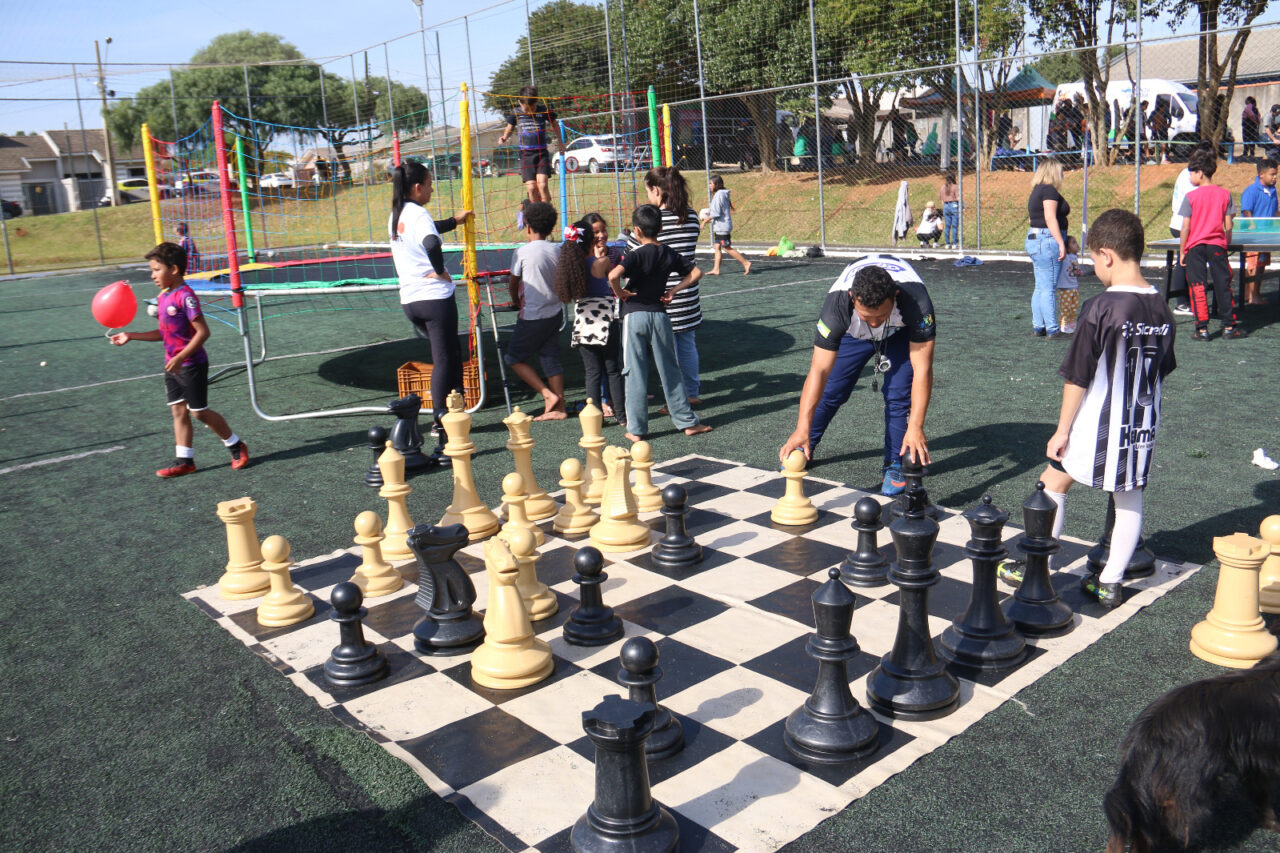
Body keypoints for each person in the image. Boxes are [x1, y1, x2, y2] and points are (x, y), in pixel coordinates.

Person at [998, 210, 1176, 608]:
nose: (1093, 267)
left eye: (1093, 259)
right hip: (1142, 425)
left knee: (1052, 482)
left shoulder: (1102, 307)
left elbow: (1078, 376)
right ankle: (1110, 582)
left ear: (1107, 255)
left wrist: (1062, 430)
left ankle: (1037, 567)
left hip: (1098, 423)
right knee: (1129, 497)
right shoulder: (1163, 309)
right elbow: (1163, 369)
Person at [778, 254, 936, 496]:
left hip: (901, 332)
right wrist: (801, 428)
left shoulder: (917, 305)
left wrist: (916, 426)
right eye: (867, 316)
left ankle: (894, 464)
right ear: (853, 298)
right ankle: (804, 443)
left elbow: (922, 369)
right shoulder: (836, 308)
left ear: (894, 297)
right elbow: (818, 370)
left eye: (880, 316)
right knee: (832, 390)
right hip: (853, 334)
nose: (874, 324)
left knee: (898, 395)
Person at [110, 241, 249, 478]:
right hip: (173, 365)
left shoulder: (186, 297)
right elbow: (164, 333)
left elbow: (203, 332)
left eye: (157, 270)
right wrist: (131, 335)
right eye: (152, 270)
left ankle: (236, 446)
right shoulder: (164, 296)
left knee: (199, 412)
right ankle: (185, 461)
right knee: (178, 411)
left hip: (191, 365)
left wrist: (181, 356)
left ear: (174, 269)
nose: (153, 275)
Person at [607, 204, 711, 441]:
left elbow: (613, 276)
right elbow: (696, 273)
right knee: (670, 370)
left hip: (634, 316)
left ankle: (636, 429)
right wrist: (673, 291)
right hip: (660, 315)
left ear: (636, 231)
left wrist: (620, 293)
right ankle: (687, 422)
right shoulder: (668, 253)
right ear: (661, 228)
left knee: (634, 372)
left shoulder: (635, 254)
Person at [388, 160, 474, 442]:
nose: (432, 190)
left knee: (450, 354)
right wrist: (439, 271)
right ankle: (440, 421)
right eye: (429, 184)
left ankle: (456, 408)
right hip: (433, 298)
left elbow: (429, 230)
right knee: (444, 359)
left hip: (410, 300)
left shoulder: (397, 214)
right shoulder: (419, 213)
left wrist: (454, 221)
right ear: (417, 187)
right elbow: (431, 242)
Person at [630, 167, 704, 406]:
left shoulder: (654, 222)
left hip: (661, 296)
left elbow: (634, 253)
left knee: (664, 353)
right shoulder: (691, 216)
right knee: (687, 345)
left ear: (656, 190)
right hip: (687, 291)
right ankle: (691, 393)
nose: (648, 196)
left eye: (648, 191)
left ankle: (675, 400)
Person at [556, 212, 626, 426]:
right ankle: (622, 416)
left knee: (592, 372)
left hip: (584, 325)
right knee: (612, 369)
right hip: (606, 321)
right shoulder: (602, 262)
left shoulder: (570, 269)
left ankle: (595, 418)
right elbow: (613, 280)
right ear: (590, 241)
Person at [506, 201, 567, 420]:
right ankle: (560, 408)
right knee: (550, 357)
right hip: (554, 312)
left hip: (532, 315)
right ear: (550, 228)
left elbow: (513, 283)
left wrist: (515, 301)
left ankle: (547, 394)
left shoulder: (522, 251)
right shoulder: (557, 250)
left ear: (528, 226)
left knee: (513, 357)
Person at [1178, 148, 1241, 341]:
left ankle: (1202, 329)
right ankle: (1229, 327)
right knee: (1223, 284)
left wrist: (1183, 251)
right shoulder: (1225, 194)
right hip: (1216, 245)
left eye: (1191, 172)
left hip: (1195, 247)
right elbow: (1228, 224)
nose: (1190, 176)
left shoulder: (1191, 197)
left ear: (1200, 173)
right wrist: (1226, 241)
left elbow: (1185, 227)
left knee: (1197, 286)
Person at [1167, 140, 1216, 316]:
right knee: (1184, 261)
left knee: (1187, 262)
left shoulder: (1192, 173)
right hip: (1183, 225)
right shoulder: (1190, 176)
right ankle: (1182, 303)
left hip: (1188, 224)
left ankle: (1191, 300)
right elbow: (1194, 205)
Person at [1025, 158, 1069, 338]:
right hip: (1047, 240)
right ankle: (1052, 328)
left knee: (1040, 287)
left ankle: (1039, 326)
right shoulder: (1049, 191)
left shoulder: (1036, 191)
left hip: (1035, 239)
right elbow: (1050, 217)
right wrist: (1061, 242)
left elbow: (1032, 218)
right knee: (1048, 288)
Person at [497, 85, 558, 204]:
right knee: (532, 188)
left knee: (542, 185)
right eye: (526, 109)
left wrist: (560, 142)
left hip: (541, 153)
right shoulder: (516, 112)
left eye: (533, 107)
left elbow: (555, 124)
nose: (530, 111)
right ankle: (535, 211)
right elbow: (509, 128)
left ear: (536, 102)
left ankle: (547, 210)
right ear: (520, 103)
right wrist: (504, 137)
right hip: (526, 155)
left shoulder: (543, 110)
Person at [1238, 157, 1278, 306]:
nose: (1275, 177)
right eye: (1272, 174)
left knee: (1260, 265)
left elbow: (1274, 212)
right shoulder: (1252, 191)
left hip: (1266, 235)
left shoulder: (1273, 191)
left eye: (1276, 174)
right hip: (1253, 237)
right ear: (1261, 174)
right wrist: (1252, 225)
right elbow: (1246, 211)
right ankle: (1252, 296)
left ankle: (1252, 295)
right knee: (1253, 265)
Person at [701, 175, 751, 275]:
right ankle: (716, 269)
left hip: (722, 227)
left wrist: (704, 221)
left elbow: (716, 213)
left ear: (716, 184)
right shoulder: (721, 194)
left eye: (711, 183)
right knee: (717, 246)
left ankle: (746, 263)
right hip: (720, 226)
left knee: (726, 247)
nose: (709, 185)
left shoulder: (719, 195)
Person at [1056, 235, 1082, 335]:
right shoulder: (1064, 257)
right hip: (1065, 287)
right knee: (1065, 307)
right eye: (1073, 243)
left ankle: (1071, 322)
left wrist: (1078, 272)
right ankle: (1064, 324)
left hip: (1074, 286)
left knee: (1074, 306)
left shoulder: (1074, 257)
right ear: (1066, 247)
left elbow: (1074, 272)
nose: (1077, 244)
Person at [939, 173, 960, 249]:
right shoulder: (956, 187)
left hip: (946, 206)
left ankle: (947, 243)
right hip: (954, 205)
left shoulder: (942, 187)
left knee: (947, 226)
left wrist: (945, 207)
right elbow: (958, 198)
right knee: (954, 226)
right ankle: (954, 243)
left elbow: (942, 200)